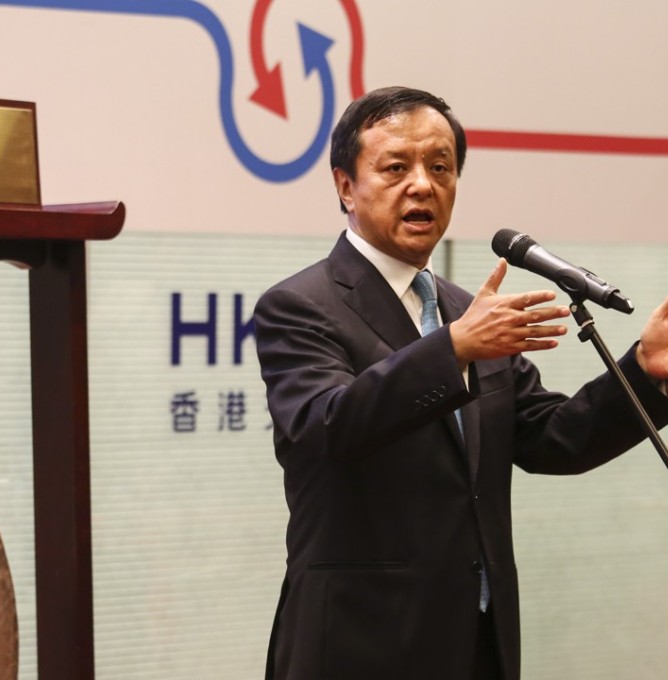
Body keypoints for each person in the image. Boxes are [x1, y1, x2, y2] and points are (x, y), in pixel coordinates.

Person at [254, 86, 668, 680]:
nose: (422, 184)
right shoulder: (300, 306)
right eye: (396, 167)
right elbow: (327, 426)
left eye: (440, 167)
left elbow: (555, 438)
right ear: (345, 185)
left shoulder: (463, 310)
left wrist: (646, 375)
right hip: (359, 644)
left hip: (475, 642)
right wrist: (452, 349)